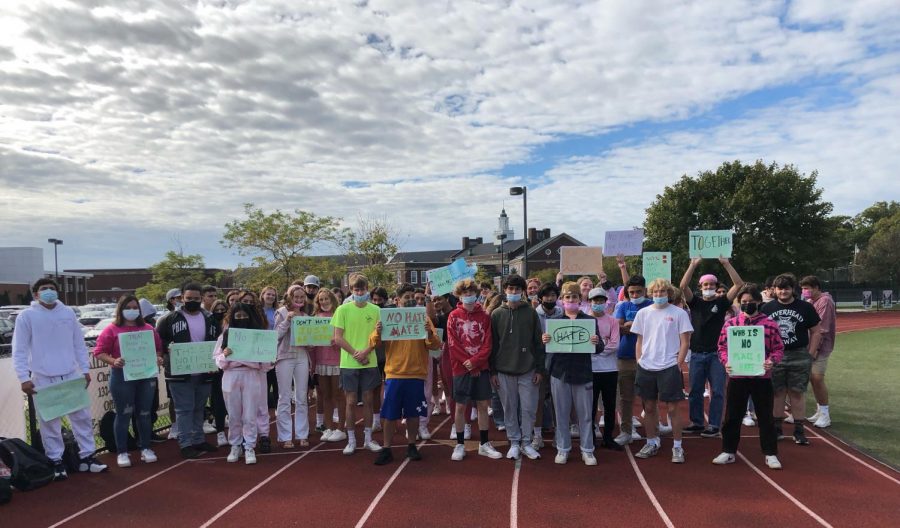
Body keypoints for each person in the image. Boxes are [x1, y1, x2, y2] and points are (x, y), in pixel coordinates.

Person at [13, 278, 108, 479]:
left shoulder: (67, 313)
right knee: (50, 422)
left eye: (52, 288)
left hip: (71, 375)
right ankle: (56, 461)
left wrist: (84, 369)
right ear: (36, 294)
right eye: (44, 289)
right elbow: (19, 349)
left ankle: (87, 457)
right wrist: (23, 377)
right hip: (43, 378)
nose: (49, 291)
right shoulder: (26, 316)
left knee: (81, 418)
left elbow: (78, 344)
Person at [713, 284, 784, 470]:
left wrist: (772, 361)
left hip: (762, 376)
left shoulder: (769, 324)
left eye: (751, 302)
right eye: (743, 302)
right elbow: (721, 347)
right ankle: (728, 451)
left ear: (759, 302)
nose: (747, 305)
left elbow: (778, 348)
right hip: (737, 376)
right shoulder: (731, 324)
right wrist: (726, 361)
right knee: (732, 415)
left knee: (765, 415)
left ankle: (770, 453)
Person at [368, 284, 438, 465]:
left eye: (411, 296)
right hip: (394, 372)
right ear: (397, 300)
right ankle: (386, 448)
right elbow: (374, 343)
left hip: (416, 373)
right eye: (405, 297)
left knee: (413, 413)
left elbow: (435, 345)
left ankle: (412, 445)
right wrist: (378, 331)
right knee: (389, 414)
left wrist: (429, 333)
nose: (409, 299)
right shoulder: (387, 318)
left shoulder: (422, 317)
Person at [92, 295, 164, 467]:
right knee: (123, 413)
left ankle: (145, 447)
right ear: (120, 309)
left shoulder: (148, 328)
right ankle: (122, 452)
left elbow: (158, 350)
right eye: (128, 307)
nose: (132, 310)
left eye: (135, 307)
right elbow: (100, 351)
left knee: (144, 413)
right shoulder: (111, 329)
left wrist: (158, 359)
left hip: (145, 376)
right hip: (122, 377)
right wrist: (113, 361)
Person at [679, 257, 744, 438]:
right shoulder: (695, 302)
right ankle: (697, 422)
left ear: (716, 286)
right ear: (700, 288)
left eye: (711, 285)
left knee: (717, 391)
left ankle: (714, 424)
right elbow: (683, 286)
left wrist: (726, 263)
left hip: (717, 354)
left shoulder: (722, 303)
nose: (708, 288)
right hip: (697, 353)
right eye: (705, 285)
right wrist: (692, 265)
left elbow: (738, 284)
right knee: (695, 391)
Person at [631, 278, 693, 463]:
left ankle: (677, 446)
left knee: (673, 408)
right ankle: (652, 442)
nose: (659, 295)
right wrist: (639, 361)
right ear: (651, 294)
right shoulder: (643, 313)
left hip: (669, 366)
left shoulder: (679, 313)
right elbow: (639, 341)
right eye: (656, 292)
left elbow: (685, 342)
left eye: (663, 292)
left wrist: (678, 363)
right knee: (649, 407)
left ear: (669, 293)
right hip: (646, 366)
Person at [542, 282, 603, 465]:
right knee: (561, 413)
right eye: (567, 297)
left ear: (580, 299)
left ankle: (587, 450)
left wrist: (596, 342)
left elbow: (599, 348)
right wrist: (545, 340)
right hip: (559, 371)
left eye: (574, 297)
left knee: (585, 414)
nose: (571, 300)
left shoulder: (590, 321)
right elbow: (546, 347)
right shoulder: (553, 322)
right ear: (562, 300)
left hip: (582, 372)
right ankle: (563, 448)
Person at [157, 282, 220, 459]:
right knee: (184, 409)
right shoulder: (169, 319)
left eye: (196, 298)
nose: (192, 301)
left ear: (201, 299)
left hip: (204, 371)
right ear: (181, 298)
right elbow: (158, 341)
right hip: (180, 372)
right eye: (189, 298)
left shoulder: (209, 318)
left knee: (199, 407)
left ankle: (199, 439)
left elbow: (217, 340)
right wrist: (166, 350)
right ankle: (185, 443)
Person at [446, 279, 503, 461]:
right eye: (464, 294)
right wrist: (467, 363)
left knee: (482, 405)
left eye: (471, 293)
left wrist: (476, 362)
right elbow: (453, 343)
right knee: (461, 406)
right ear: (459, 296)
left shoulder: (485, 317)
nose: (468, 296)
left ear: (476, 294)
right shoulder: (453, 316)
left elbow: (488, 344)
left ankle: (484, 444)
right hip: (460, 368)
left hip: (481, 367)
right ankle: (460, 444)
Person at [762, 274, 822, 445]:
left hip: (798, 354)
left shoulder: (805, 307)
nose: (783, 291)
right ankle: (777, 428)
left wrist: (810, 353)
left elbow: (816, 331)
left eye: (787, 288)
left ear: (793, 289)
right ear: (775, 290)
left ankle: (799, 430)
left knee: (797, 392)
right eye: (780, 288)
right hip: (775, 356)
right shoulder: (767, 308)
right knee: (777, 392)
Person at [490, 274, 545, 461]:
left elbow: (538, 342)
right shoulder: (496, 314)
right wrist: (493, 371)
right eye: (510, 289)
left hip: (528, 369)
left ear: (522, 292)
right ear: (505, 290)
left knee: (529, 408)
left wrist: (539, 369)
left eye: (517, 289)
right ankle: (514, 442)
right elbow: (493, 345)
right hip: (504, 370)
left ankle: (527, 442)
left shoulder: (531, 313)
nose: (514, 292)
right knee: (509, 408)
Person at [214, 302, 273, 465]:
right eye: (238, 316)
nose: (241, 319)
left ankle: (249, 446)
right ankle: (235, 444)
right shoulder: (225, 335)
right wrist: (225, 355)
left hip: (251, 374)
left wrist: (269, 359)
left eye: (244, 316)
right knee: (233, 414)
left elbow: (266, 364)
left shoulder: (258, 335)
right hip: (231, 375)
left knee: (249, 414)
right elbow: (218, 361)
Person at [331, 273, 382, 455]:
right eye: (356, 289)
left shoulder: (375, 310)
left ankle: (368, 439)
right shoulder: (342, 310)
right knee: (351, 402)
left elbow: (378, 337)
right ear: (351, 291)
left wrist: (366, 352)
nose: (359, 292)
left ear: (367, 289)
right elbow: (337, 337)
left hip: (370, 361)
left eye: (362, 288)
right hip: (349, 363)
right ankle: (351, 440)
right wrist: (356, 354)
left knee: (369, 401)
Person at [613, 271, 653, 446]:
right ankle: (626, 431)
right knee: (626, 397)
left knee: (649, 397)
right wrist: (627, 327)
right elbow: (618, 328)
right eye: (632, 292)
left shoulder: (652, 305)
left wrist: (631, 325)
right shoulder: (622, 306)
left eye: (638, 291)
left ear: (644, 290)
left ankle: (653, 430)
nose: (635, 295)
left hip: (649, 358)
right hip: (626, 357)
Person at [274, 285, 312, 449]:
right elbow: (275, 336)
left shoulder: (305, 315)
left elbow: (310, 340)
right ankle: (285, 435)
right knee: (284, 396)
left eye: (301, 297)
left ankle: (302, 434)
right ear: (289, 297)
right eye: (295, 297)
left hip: (302, 357)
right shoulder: (281, 312)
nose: (299, 300)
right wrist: (287, 321)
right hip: (284, 357)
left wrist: (311, 343)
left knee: (302, 396)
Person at [587, 287, 622, 451]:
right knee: (590, 406)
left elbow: (615, 344)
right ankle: (590, 438)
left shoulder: (613, 321)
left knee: (609, 405)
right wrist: (602, 347)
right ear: (590, 302)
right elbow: (583, 345)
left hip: (609, 369)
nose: (598, 303)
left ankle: (608, 437)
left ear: (605, 302)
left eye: (601, 300)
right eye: (595, 301)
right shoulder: (584, 320)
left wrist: (597, 349)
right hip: (590, 370)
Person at [800, 275, 836, 428]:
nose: (804, 291)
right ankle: (819, 410)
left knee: (817, 378)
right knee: (811, 379)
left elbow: (822, 328)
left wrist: (815, 349)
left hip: (820, 347)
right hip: (810, 346)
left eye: (807, 288)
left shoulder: (825, 302)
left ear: (816, 288)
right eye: (803, 288)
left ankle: (825, 414)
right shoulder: (811, 302)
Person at [313, 288, 346, 442]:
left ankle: (341, 428)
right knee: (325, 396)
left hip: (337, 360)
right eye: (321, 300)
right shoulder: (315, 318)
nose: (324, 302)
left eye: (326, 299)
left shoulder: (340, 315)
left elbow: (347, 336)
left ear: (332, 299)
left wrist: (338, 341)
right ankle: (329, 427)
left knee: (338, 395)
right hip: (321, 360)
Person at [533, 282, 562, 451]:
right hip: (541, 364)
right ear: (540, 298)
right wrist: (540, 339)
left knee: (558, 401)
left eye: (553, 295)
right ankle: (537, 435)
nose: (550, 299)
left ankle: (559, 433)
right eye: (546, 296)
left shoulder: (562, 314)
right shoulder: (534, 315)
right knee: (538, 401)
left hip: (558, 363)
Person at [209, 300, 230, 447]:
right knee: (218, 401)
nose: (220, 311)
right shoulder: (208, 323)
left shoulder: (232, 325)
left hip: (230, 368)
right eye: (217, 309)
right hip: (215, 368)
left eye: (223, 309)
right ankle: (220, 431)